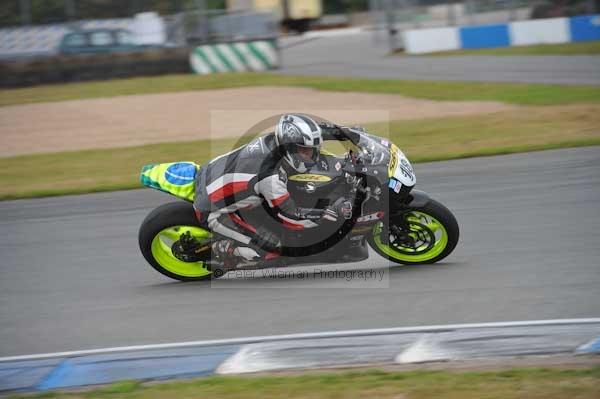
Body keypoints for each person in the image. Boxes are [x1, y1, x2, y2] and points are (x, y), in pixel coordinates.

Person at [192, 114, 352, 266]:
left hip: (210, 171)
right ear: (290, 149)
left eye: (312, 150)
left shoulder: (275, 140)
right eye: (305, 152)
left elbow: (317, 132)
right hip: (214, 212)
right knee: (271, 249)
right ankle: (222, 250)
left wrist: (348, 133)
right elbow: (290, 216)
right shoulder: (271, 178)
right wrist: (324, 213)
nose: (312, 156)